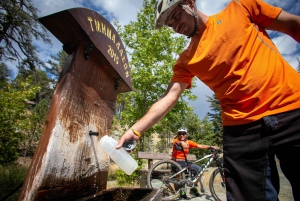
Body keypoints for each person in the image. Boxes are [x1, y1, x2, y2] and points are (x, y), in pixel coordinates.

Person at [116, 0, 300, 200]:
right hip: (241, 129)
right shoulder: (186, 60)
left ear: (190, 3)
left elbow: (293, 25)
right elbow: (169, 96)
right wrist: (136, 130)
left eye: (176, 16)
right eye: (170, 24)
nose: (175, 27)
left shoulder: (240, 8)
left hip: (292, 108)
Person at [172, 127, 219, 198]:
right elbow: (178, 143)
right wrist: (181, 143)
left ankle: (193, 187)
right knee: (179, 170)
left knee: (200, 170)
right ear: (178, 135)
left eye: (183, 134)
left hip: (185, 162)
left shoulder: (189, 142)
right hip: (176, 162)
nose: (181, 135)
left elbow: (199, 146)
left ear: (186, 135)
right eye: (180, 134)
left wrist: (210, 146)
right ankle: (181, 189)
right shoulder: (176, 141)